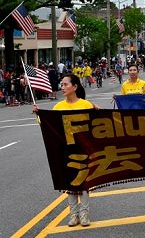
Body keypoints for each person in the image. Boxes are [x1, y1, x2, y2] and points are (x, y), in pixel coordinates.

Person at [33, 74, 98, 227]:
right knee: (70, 183)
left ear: (74, 87)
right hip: (66, 150)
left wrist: (98, 111)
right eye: (61, 85)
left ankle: (84, 215)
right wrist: (40, 115)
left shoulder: (85, 105)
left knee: (84, 183)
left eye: (65, 85)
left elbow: (97, 126)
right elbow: (49, 127)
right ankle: (73, 215)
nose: (62, 87)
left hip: (83, 149)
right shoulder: (58, 107)